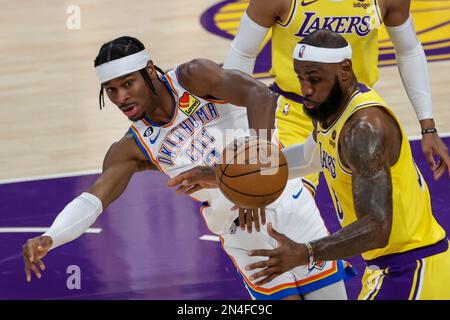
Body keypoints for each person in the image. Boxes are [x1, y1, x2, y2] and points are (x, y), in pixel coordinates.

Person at [21, 36, 354, 300]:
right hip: (242, 231)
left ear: (149, 71)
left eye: (128, 84)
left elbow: (260, 97)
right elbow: (94, 199)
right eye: (112, 91)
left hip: (285, 201)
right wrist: (51, 236)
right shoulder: (133, 147)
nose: (121, 97)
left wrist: (259, 174)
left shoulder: (194, 77)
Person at [241, 30, 450, 300]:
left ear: (344, 70)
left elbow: (377, 228)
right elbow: (308, 159)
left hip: (412, 267)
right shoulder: (328, 109)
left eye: (314, 79)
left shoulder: (363, 130)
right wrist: (243, 175)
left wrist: (306, 253)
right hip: (389, 266)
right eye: (300, 77)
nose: (304, 89)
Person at [223, 0, 450, 198]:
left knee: (387, 212)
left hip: (355, 114)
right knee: (282, 205)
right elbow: (243, 52)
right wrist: (237, 131)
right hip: (294, 113)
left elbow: (409, 50)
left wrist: (428, 127)